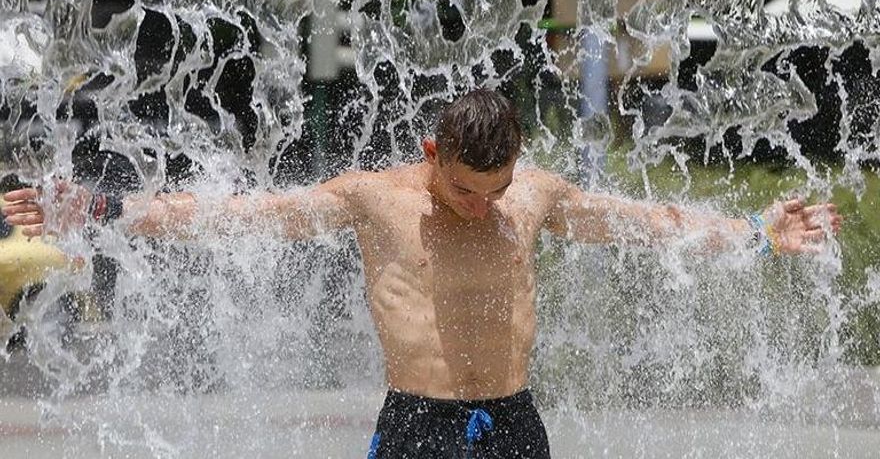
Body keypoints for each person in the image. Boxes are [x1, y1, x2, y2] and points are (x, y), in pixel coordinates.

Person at [1, 89, 842, 458]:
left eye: (499, 189)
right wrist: (104, 208)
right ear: (432, 155)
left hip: (514, 426)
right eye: (467, 192)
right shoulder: (374, 201)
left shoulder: (531, 196)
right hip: (416, 431)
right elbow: (235, 214)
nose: (485, 209)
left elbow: (646, 225)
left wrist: (755, 233)